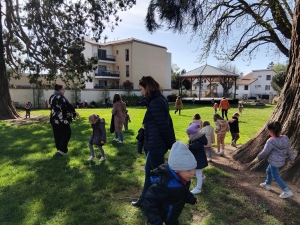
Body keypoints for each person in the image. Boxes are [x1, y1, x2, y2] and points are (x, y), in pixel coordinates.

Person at [131, 76, 176, 208]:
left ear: (148, 88)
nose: (141, 91)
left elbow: (164, 125)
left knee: (159, 175)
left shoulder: (156, 102)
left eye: (141, 89)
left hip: (157, 145)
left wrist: (171, 144)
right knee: (149, 172)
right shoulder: (156, 100)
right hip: (154, 144)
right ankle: (145, 199)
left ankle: (166, 199)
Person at [143, 141, 199, 225]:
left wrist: (192, 199)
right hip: (163, 218)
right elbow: (149, 200)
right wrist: (157, 220)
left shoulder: (184, 179)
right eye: (188, 170)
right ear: (176, 170)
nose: (193, 173)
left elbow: (184, 192)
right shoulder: (164, 184)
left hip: (172, 216)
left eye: (193, 169)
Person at [258, 121, 294, 199]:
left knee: (276, 175)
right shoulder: (285, 138)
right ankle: (267, 184)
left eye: (268, 131)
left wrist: (259, 156)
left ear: (271, 131)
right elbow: (289, 149)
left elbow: (265, 151)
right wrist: (291, 158)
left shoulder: (271, 141)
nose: (268, 132)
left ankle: (287, 191)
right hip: (281, 161)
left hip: (274, 162)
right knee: (268, 170)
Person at [49, 84, 79, 155]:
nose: (64, 90)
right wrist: (74, 113)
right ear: (59, 90)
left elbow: (50, 107)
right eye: (63, 89)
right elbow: (65, 109)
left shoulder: (52, 97)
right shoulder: (61, 98)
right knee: (67, 133)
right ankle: (62, 149)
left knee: (57, 134)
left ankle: (59, 148)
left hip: (53, 119)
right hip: (62, 119)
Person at [186, 123, 208, 194]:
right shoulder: (195, 139)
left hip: (199, 161)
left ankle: (198, 188)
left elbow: (196, 146)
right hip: (197, 160)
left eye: (189, 134)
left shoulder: (198, 140)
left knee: (198, 173)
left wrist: (190, 146)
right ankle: (202, 176)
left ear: (193, 134)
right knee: (195, 171)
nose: (188, 135)